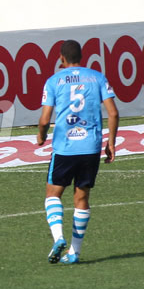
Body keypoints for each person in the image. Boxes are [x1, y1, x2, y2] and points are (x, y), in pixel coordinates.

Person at [37, 39, 118, 264]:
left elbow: (44, 119)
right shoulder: (97, 77)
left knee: (53, 194)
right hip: (90, 147)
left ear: (61, 57)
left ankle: (58, 238)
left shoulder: (54, 81)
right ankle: (74, 253)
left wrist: (41, 136)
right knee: (81, 197)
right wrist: (110, 143)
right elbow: (113, 113)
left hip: (65, 147)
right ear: (81, 57)